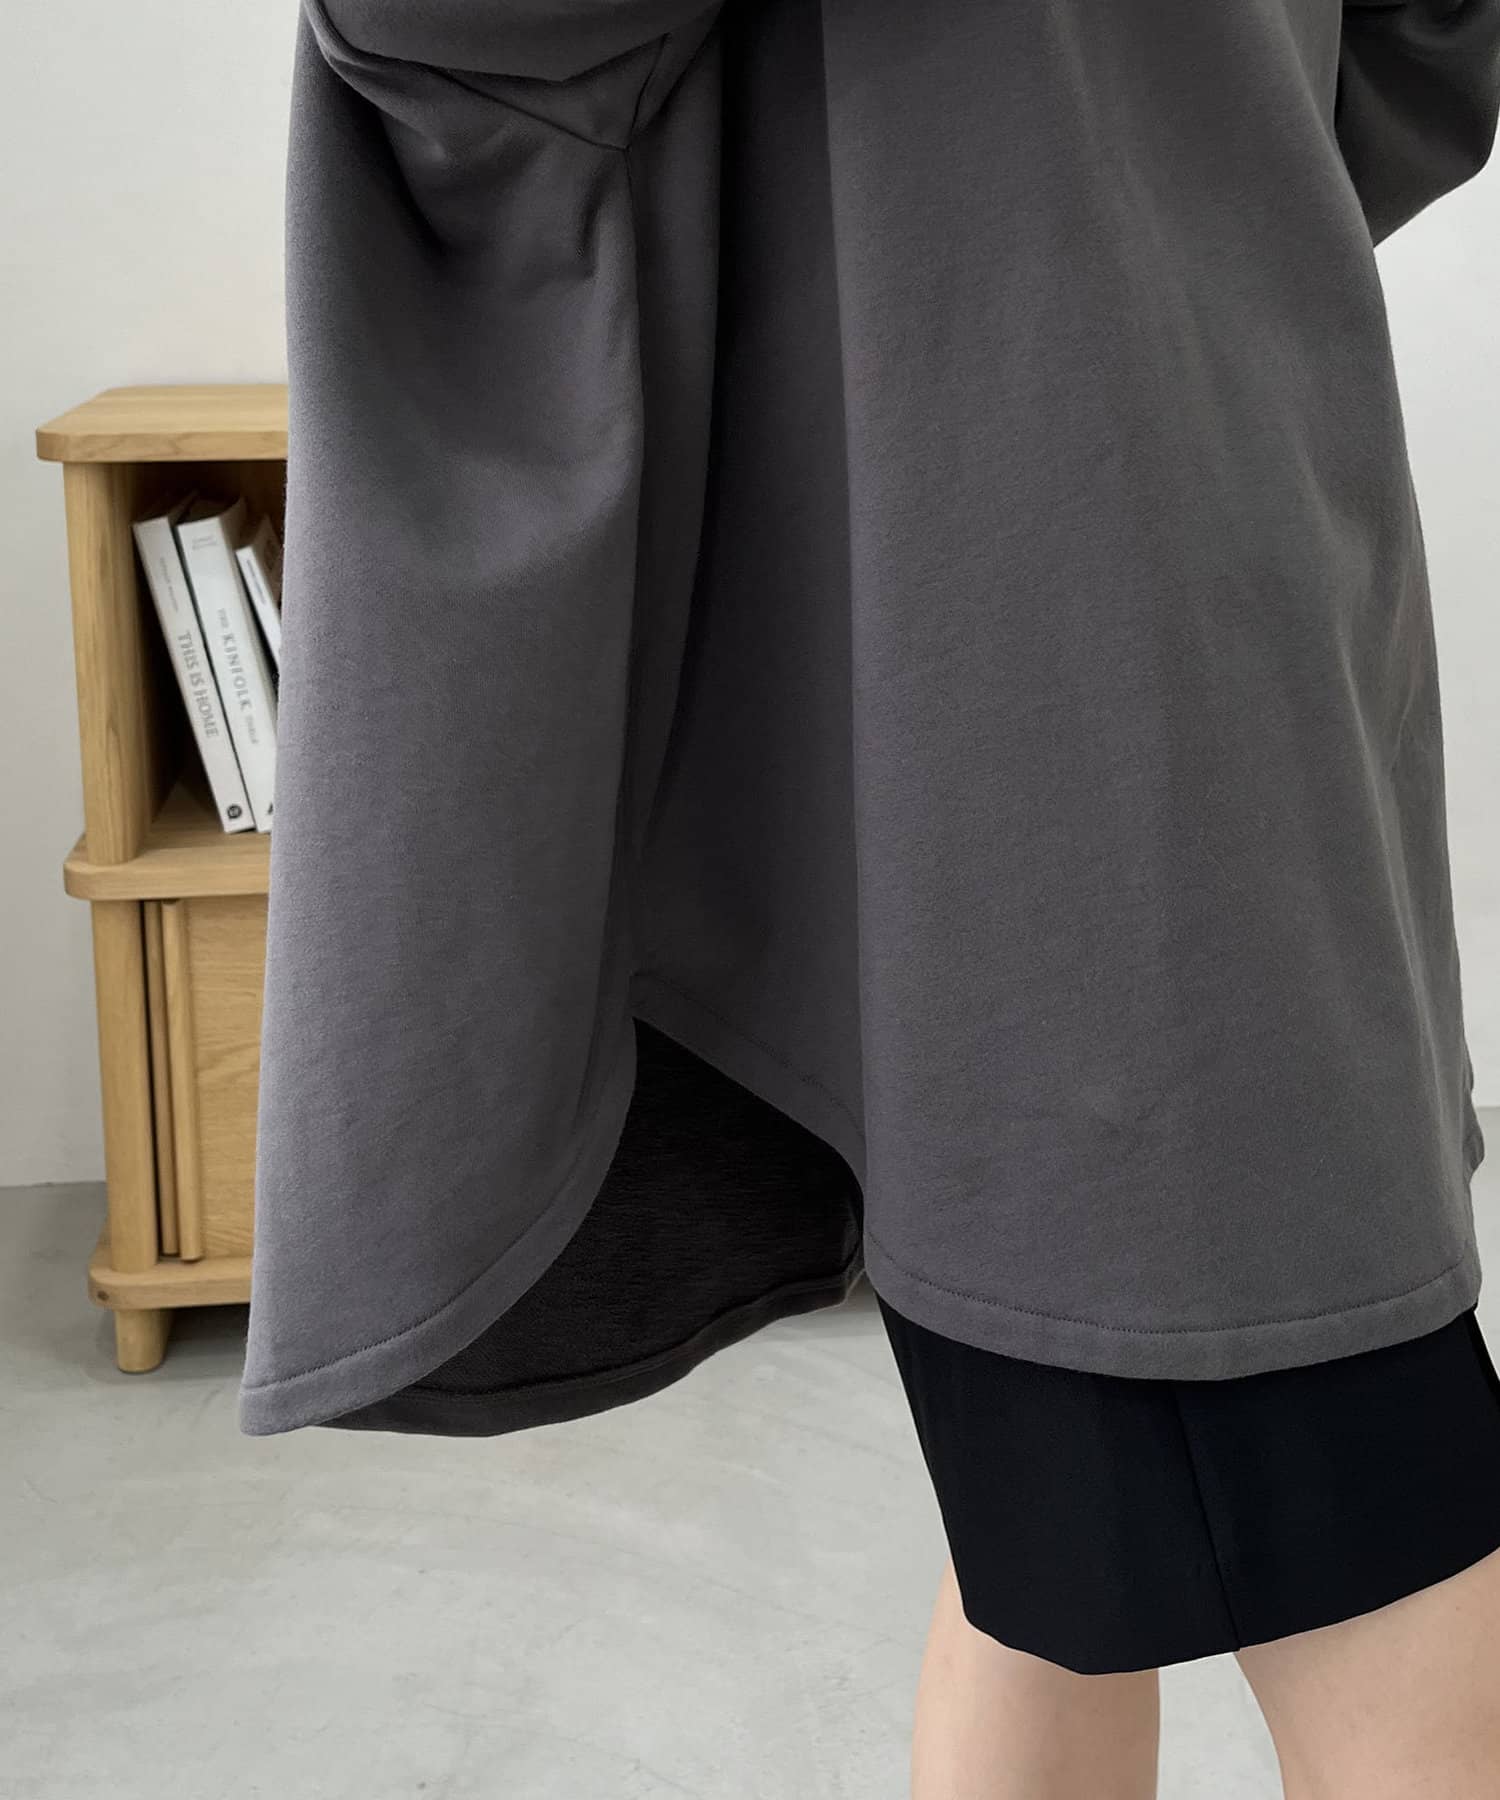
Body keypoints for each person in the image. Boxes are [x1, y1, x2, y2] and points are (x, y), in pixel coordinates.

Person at [243, 3, 1500, 1794]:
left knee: (1268, 1519)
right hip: (1189, 524)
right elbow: (1424, 56)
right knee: (1067, 1528)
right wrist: (1152, 190)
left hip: (1007, 622)